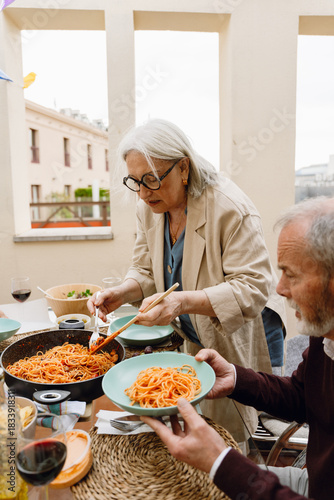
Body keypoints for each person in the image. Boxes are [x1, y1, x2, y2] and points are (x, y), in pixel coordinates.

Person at [88, 119, 285, 445]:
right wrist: (121, 293)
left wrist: (181, 302)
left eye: (151, 179)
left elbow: (253, 286)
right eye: (134, 181)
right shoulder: (149, 206)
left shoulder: (229, 208)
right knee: (191, 420)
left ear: (183, 168)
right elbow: (146, 269)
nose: (142, 192)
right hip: (188, 333)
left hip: (230, 332)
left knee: (228, 433)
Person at [141, 196, 334, 500]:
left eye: (291, 274)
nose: (279, 288)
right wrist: (236, 378)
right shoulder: (325, 331)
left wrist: (221, 461)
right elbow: (302, 395)